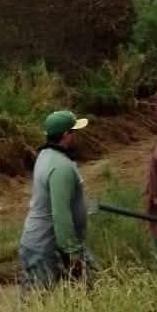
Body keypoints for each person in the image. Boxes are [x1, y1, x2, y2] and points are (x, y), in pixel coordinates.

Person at [19, 110, 95, 291]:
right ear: (65, 135)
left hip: (49, 242)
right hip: (45, 246)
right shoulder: (60, 167)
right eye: (73, 132)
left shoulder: (45, 156)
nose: (76, 137)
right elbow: (61, 214)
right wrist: (72, 253)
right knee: (38, 303)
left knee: (91, 288)